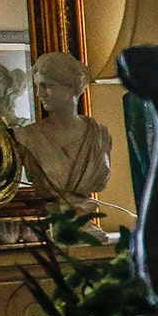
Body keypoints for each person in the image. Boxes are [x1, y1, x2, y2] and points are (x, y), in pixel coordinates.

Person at [14, 51, 111, 206]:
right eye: (38, 86)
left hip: (82, 221)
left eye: (48, 86)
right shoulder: (26, 136)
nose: (40, 93)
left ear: (72, 87)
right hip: (54, 220)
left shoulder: (99, 135)